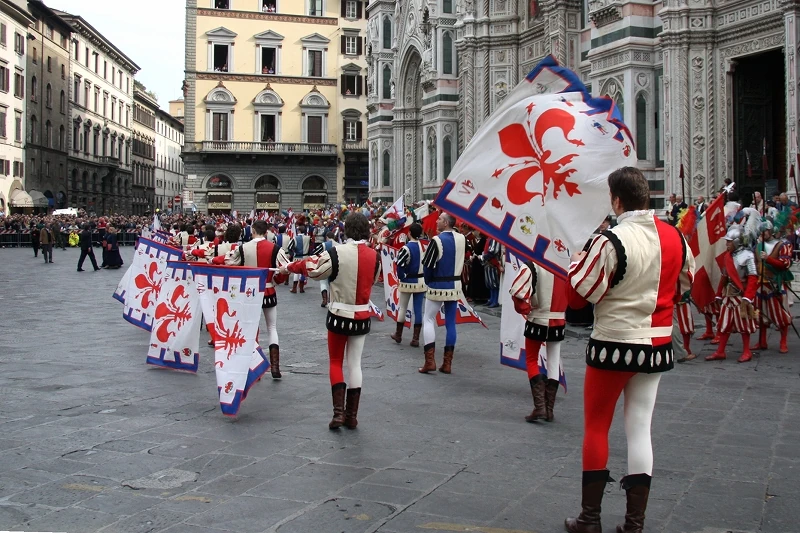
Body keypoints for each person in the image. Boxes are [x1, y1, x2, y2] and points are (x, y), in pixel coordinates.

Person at [564, 167, 694, 533]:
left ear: (616, 200)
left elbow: (579, 296)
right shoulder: (676, 237)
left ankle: (590, 518)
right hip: (657, 344)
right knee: (639, 429)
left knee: (596, 426)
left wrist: (574, 262)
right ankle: (634, 524)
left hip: (615, 344)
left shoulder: (611, 240)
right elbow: (687, 282)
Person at [281, 213, 379, 429]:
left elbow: (315, 272)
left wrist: (291, 267)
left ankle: (338, 414)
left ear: (346, 230)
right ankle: (352, 416)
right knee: (355, 364)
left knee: (336, 362)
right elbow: (374, 279)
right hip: (362, 314)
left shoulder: (336, 252)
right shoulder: (375, 255)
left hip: (338, 314)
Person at [218, 220, 290, 379]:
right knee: (272, 327)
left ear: (253, 231)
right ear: (266, 232)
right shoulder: (275, 249)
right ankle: (275, 367)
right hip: (269, 290)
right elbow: (285, 269)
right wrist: (276, 280)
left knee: (250, 329)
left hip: (250, 292)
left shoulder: (243, 248)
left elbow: (230, 263)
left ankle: (254, 367)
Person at [509, 259, 566, 423]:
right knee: (554, 361)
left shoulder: (533, 264)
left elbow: (518, 293)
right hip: (559, 320)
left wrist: (525, 309)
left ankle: (540, 407)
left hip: (538, 318)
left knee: (532, 359)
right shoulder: (565, 263)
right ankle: (549, 410)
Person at [419, 212, 466, 374]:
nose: (436, 221)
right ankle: (447, 363)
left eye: (439, 219)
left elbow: (428, 265)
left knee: (429, 319)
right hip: (455, 285)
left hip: (438, 284)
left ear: (445, 223)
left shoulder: (437, 240)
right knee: (450, 323)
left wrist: (428, 281)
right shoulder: (462, 238)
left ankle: (429, 361)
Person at [705, 225, 759, 363]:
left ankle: (747, 351)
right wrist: (718, 294)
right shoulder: (727, 256)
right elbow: (724, 277)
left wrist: (748, 297)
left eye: (729, 241)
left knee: (744, 325)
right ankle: (720, 351)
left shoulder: (748, 255)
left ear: (736, 242)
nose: (726, 243)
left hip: (741, 296)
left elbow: (753, 278)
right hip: (728, 295)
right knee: (724, 324)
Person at [751, 220, 793, 354]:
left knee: (780, 314)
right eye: (761, 231)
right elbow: (755, 263)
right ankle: (762, 341)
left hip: (776, 284)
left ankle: (783, 341)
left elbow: (785, 264)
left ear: (771, 231)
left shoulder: (783, 244)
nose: (763, 234)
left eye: (765, 231)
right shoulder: (758, 246)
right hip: (760, 283)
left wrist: (768, 259)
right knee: (761, 314)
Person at [390, 223, 426, 347]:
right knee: (418, 310)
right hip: (421, 281)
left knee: (403, 307)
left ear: (409, 233)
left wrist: (401, 277)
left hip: (408, 281)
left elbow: (400, 265)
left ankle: (398, 334)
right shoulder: (423, 247)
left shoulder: (406, 248)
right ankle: (415, 339)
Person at [315, 231, 336, 307]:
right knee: (333, 283)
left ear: (327, 237)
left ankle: (324, 300)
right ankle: (331, 300)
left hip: (325, 265)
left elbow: (315, 252)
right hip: (335, 266)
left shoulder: (324, 244)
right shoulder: (339, 245)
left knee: (323, 282)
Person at [290, 222, 312, 293]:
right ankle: (301, 288)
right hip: (305, 257)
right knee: (303, 272)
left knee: (296, 272)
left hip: (297, 257)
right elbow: (311, 247)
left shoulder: (295, 238)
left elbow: (289, 247)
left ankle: (294, 288)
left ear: (298, 231)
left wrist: (292, 253)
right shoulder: (308, 238)